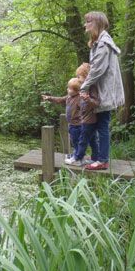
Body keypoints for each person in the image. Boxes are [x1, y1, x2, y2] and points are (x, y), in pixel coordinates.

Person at [80, 11, 124, 170]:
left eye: (88, 22)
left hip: (104, 92)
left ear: (96, 24)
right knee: (99, 125)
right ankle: (97, 157)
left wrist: (83, 86)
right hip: (101, 91)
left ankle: (102, 160)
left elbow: (98, 70)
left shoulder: (104, 44)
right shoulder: (100, 42)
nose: (85, 25)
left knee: (103, 125)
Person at [64, 63, 100, 166]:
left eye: (79, 76)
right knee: (91, 140)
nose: (78, 79)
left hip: (88, 120)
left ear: (86, 75)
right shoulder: (86, 87)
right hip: (87, 120)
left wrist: (87, 99)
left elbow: (95, 103)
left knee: (82, 141)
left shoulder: (91, 87)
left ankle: (78, 158)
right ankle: (94, 158)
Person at [42, 78, 82, 161]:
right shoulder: (68, 97)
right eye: (68, 87)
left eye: (70, 88)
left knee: (77, 141)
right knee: (74, 141)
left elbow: (84, 110)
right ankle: (75, 154)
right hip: (71, 124)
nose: (68, 89)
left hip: (78, 125)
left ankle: (77, 156)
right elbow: (59, 99)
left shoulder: (79, 99)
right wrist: (49, 98)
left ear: (77, 91)